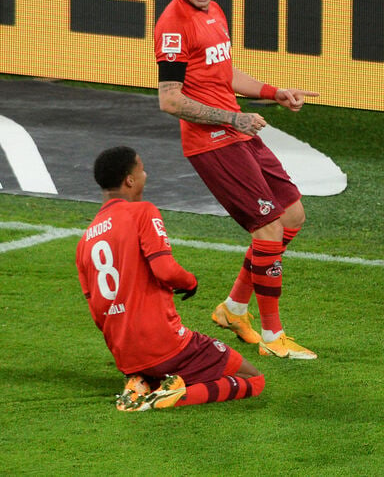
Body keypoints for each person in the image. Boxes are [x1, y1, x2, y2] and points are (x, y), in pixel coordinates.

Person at [154, 0, 319, 359]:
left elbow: (223, 73)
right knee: (268, 229)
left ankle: (232, 309)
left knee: (293, 214)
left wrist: (273, 92)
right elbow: (170, 99)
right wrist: (232, 119)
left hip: (237, 131)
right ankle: (272, 337)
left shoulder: (214, 12)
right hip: (211, 141)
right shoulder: (173, 24)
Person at [75, 146, 265, 411]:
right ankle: (172, 396)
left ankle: (142, 382)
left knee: (156, 365)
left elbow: (97, 311)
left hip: (125, 353)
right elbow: (165, 270)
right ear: (129, 180)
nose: (146, 174)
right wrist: (190, 282)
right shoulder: (141, 212)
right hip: (164, 343)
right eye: (141, 169)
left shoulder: (85, 240)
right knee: (252, 379)